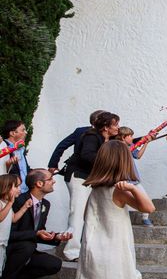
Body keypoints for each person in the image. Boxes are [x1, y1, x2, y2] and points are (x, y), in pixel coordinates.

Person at [49, 140, 155, 279]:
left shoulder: (95, 189)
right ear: (123, 163)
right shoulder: (120, 191)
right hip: (112, 256)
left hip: (92, 255)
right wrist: (134, 187)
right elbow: (149, 207)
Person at [0, 169, 71, 279]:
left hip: (27, 249)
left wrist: (57, 236)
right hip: (10, 248)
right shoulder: (18, 201)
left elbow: (39, 231)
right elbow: (8, 233)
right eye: (50, 179)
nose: (53, 181)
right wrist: (35, 234)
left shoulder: (46, 204)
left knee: (54, 264)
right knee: (27, 246)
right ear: (39, 183)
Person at [63, 112, 120, 261]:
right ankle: (71, 251)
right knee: (77, 213)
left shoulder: (108, 139)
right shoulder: (92, 136)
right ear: (106, 127)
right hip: (79, 177)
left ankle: (86, 248)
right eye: (115, 125)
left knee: (91, 213)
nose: (118, 128)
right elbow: (87, 155)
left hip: (91, 180)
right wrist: (109, 163)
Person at [0, 174, 33, 279]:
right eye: (16, 186)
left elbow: (13, 218)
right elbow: (1, 217)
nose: (19, 189)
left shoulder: (8, 204)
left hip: (3, 243)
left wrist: (24, 207)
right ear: (6, 188)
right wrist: (10, 203)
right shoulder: (3, 203)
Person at [47, 109, 106, 175]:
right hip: (78, 171)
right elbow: (62, 146)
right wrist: (53, 165)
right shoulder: (80, 131)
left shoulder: (110, 133)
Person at [116, 126, 153, 226]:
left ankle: (145, 218)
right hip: (122, 180)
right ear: (123, 137)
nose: (132, 138)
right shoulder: (116, 147)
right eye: (130, 136)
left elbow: (138, 155)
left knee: (144, 198)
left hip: (133, 179)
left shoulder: (131, 146)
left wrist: (146, 142)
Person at [1, 120, 30, 193]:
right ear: (12, 133)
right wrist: (8, 165)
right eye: (23, 130)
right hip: (11, 192)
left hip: (25, 191)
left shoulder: (21, 148)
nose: (26, 133)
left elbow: (24, 170)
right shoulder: (3, 146)